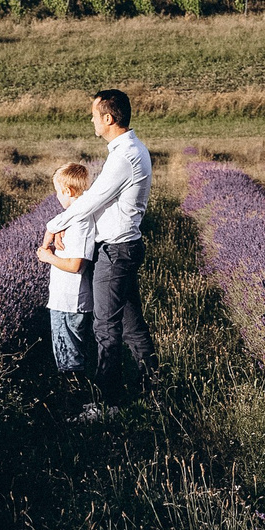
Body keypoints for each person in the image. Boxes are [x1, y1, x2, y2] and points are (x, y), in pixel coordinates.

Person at [42, 88, 152, 417]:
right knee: (132, 325)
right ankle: (153, 389)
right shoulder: (131, 149)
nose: (91, 120)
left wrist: (53, 224)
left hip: (116, 251)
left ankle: (108, 403)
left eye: (94, 115)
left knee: (106, 327)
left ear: (108, 118)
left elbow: (92, 199)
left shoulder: (125, 155)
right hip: (124, 247)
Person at [36, 162, 96, 394]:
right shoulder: (76, 216)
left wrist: (47, 256)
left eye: (58, 191)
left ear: (68, 192)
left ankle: (75, 403)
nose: (57, 196)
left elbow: (75, 265)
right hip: (69, 300)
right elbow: (59, 220)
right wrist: (54, 229)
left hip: (70, 302)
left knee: (69, 359)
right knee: (73, 354)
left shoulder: (80, 222)